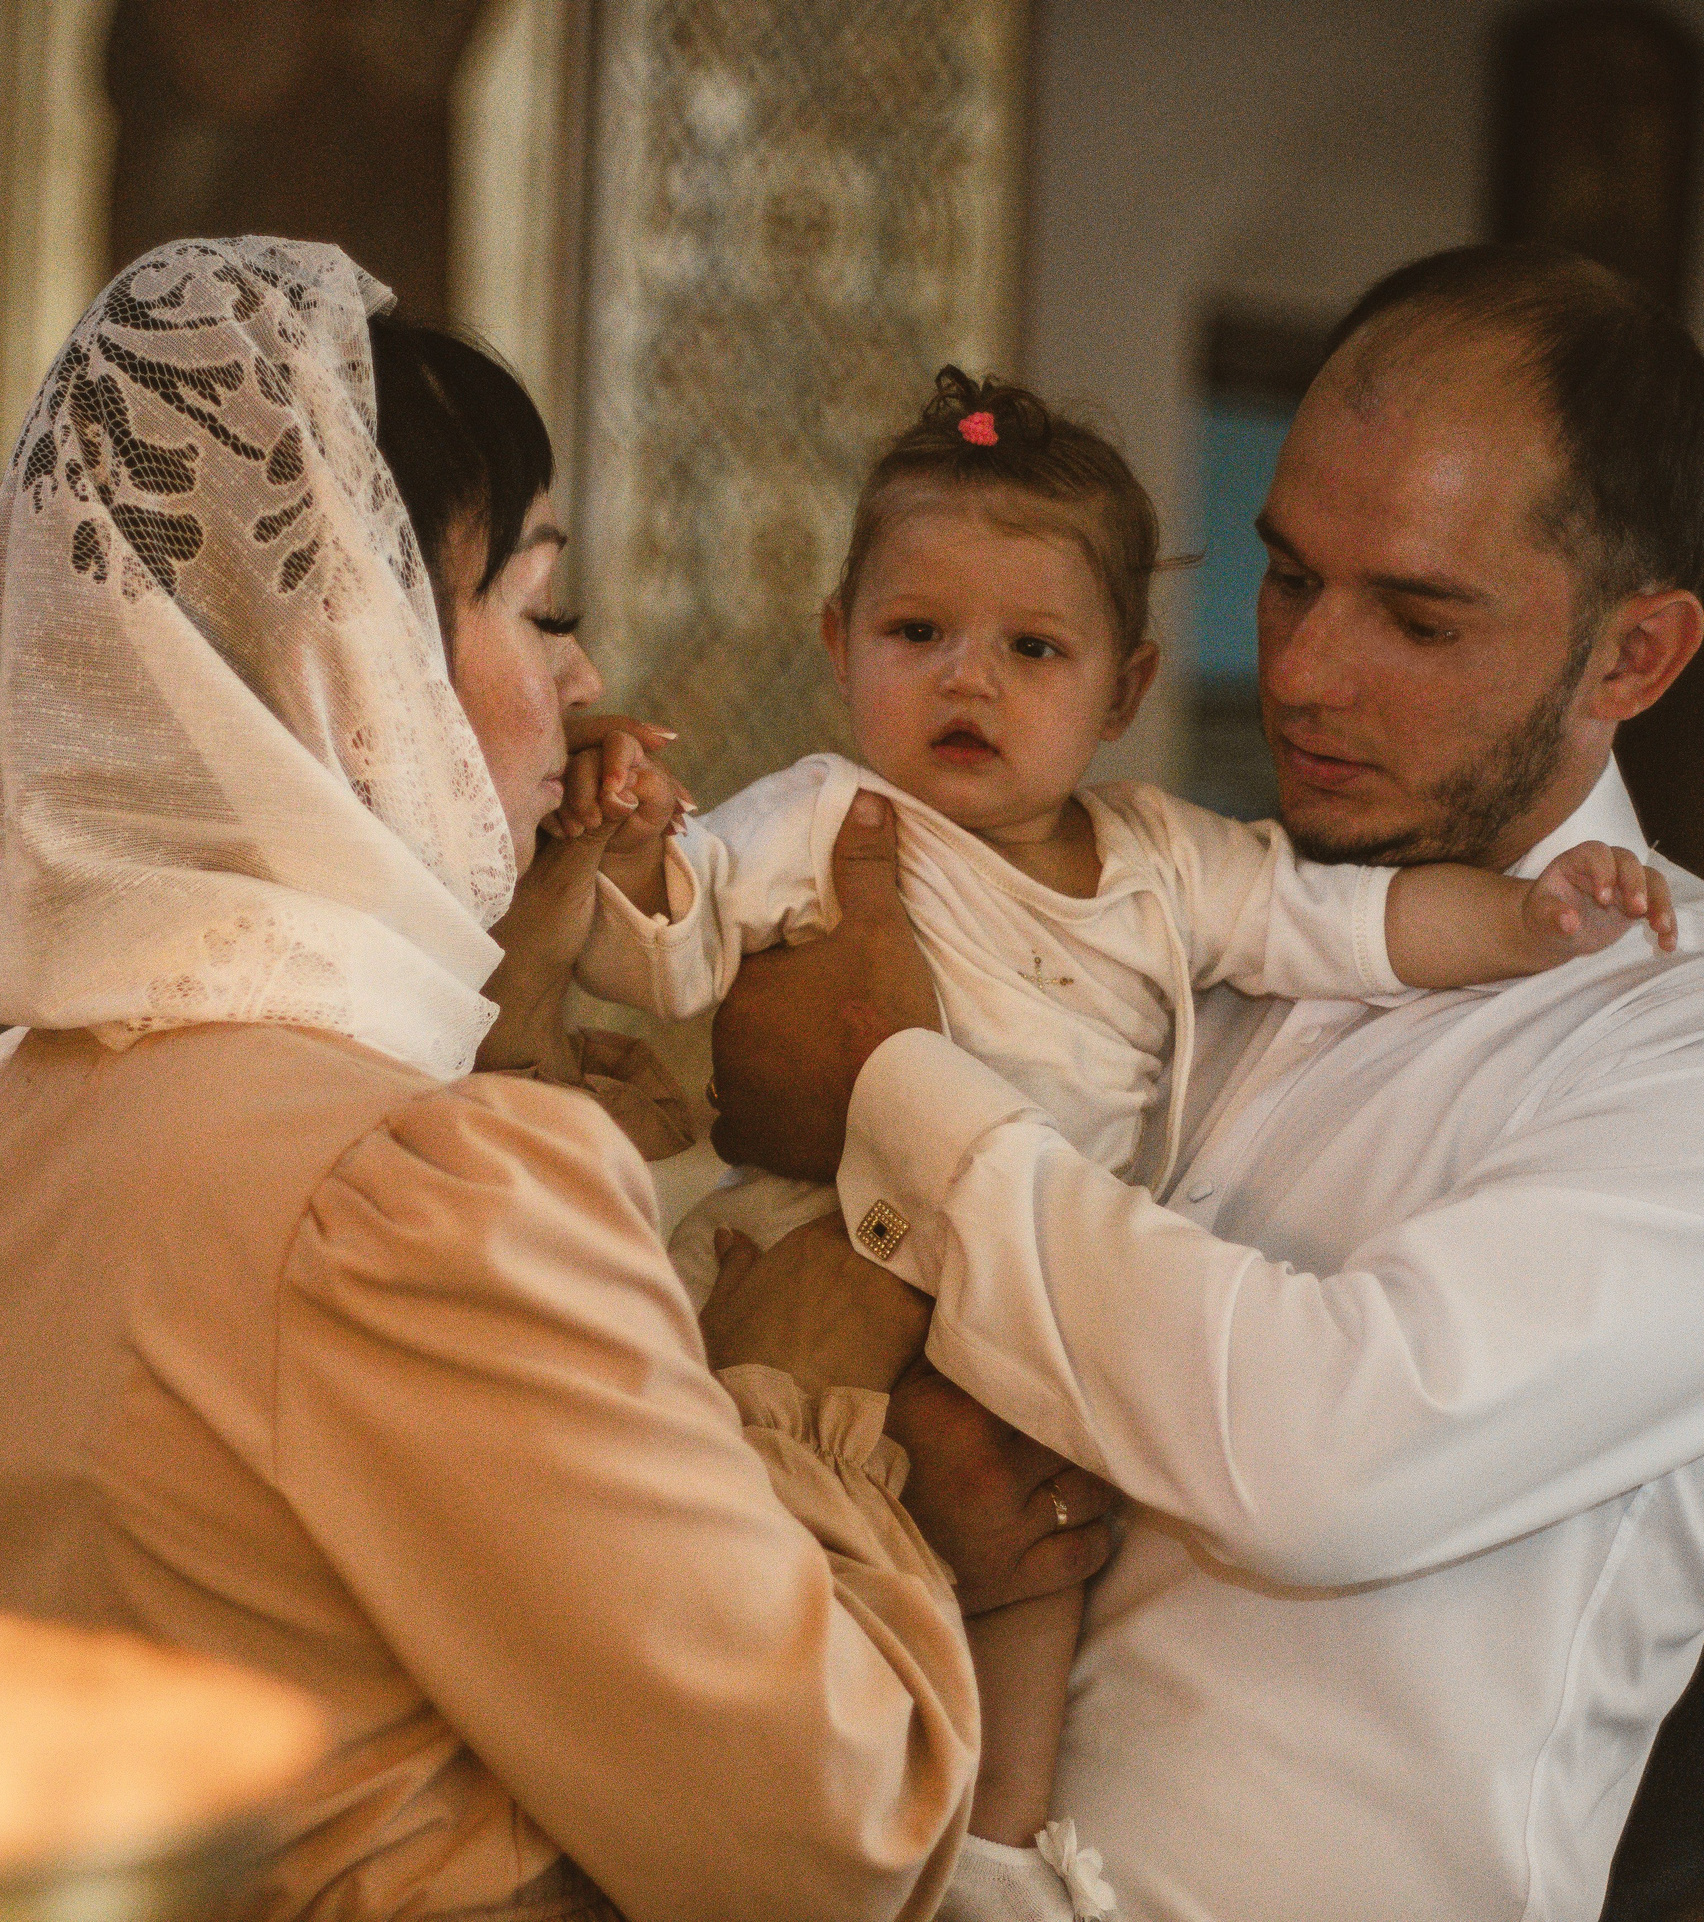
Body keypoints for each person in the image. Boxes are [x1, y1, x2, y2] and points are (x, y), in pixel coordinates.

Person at [0, 236, 1110, 1922]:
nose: (582, 680)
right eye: (538, 605)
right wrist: (802, 1394)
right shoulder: (418, 1197)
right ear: (341, 657)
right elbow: (843, 1833)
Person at [709, 243, 1704, 1921]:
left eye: (1414, 613)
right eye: (1289, 577)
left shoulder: (1670, 1034)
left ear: (1634, 658)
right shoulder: (1164, 903)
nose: (1306, 671)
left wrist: (887, 1086)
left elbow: (1321, 1455)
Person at [578, 365, 1672, 1309]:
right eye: (916, 631)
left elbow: (1359, 923)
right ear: (838, 642)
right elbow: (665, 943)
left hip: (1037, 1312)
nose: (967, 676)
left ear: (1123, 690)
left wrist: (1525, 917)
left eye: (1034, 648)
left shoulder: (1164, 857)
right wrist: (627, 840)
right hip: (799, 1264)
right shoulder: (821, 817)